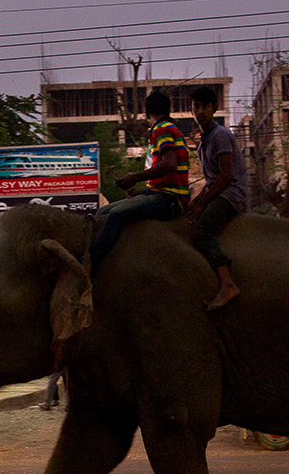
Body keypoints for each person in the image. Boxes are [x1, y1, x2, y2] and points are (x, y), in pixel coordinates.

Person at [87, 91, 190, 272]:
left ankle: (87, 264)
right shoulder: (168, 129)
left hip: (170, 199)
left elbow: (170, 164)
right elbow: (167, 175)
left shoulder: (162, 129)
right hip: (160, 194)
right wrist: (142, 192)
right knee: (103, 210)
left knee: (116, 215)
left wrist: (134, 178)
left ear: (146, 111)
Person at [183, 86, 245, 310]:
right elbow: (210, 181)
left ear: (214, 108)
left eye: (204, 106)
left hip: (232, 195)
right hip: (219, 192)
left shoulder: (221, 135)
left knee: (201, 232)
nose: (199, 111)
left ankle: (228, 284)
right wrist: (196, 200)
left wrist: (202, 202)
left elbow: (226, 177)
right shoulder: (202, 143)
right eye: (195, 107)